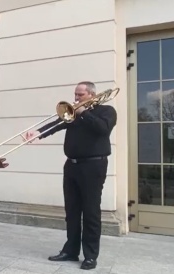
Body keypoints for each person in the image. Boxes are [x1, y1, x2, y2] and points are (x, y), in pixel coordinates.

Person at [25, 81, 117, 270]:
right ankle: (71, 250)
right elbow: (57, 124)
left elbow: (103, 129)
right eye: (75, 94)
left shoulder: (106, 111)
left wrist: (84, 112)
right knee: (72, 211)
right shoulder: (73, 114)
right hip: (72, 166)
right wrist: (37, 134)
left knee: (91, 212)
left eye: (80, 95)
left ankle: (90, 256)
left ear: (91, 94)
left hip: (93, 166)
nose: (75, 98)